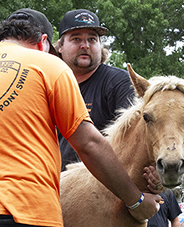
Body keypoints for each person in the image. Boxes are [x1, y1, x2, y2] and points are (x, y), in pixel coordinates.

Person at [0, 8, 161, 227]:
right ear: (45, 43)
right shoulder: (49, 66)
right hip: (28, 217)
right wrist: (136, 200)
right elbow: (89, 144)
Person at [55, 9, 135, 171]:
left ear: (100, 45)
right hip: (52, 185)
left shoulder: (119, 82)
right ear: (60, 47)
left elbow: (134, 142)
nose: (85, 45)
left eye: (92, 39)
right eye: (76, 39)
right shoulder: (51, 85)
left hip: (104, 184)